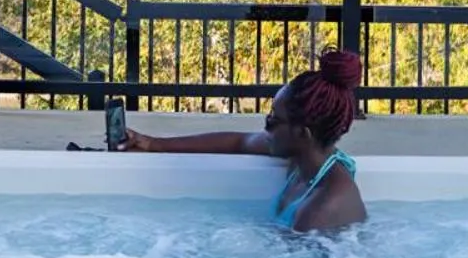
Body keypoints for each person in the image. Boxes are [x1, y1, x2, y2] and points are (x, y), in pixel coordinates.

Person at [120, 48, 367, 233]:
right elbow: (237, 142)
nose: (265, 125)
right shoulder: (304, 160)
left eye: (274, 120)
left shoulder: (321, 208)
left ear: (302, 134)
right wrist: (153, 144)